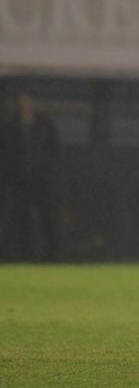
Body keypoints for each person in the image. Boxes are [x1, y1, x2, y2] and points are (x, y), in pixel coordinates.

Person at [4, 92, 61, 262]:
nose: (25, 104)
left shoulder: (45, 125)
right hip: (19, 180)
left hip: (43, 180)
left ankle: (52, 255)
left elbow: (54, 151)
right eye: (22, 100)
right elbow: (7, 152)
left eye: (28, 100)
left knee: (47, 217)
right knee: (21, 218)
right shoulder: (10, 126)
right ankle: (24, 254)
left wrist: (48, 171)